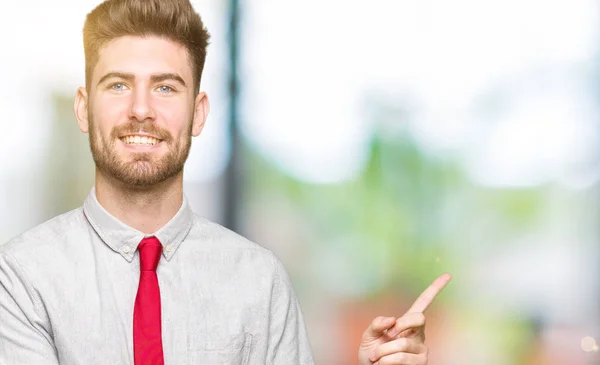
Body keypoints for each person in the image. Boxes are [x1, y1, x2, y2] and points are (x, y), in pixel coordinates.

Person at [0, 0, 451, 364]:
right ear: (83, 107)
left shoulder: (259, 280)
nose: (141, 109)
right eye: (118, 85)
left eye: (165, 87)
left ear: (198, 113)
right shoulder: (21, 277)